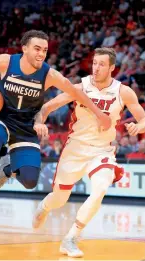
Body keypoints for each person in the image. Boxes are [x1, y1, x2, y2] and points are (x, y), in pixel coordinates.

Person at [0, 30, 111, 224]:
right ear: (24, 48)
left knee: (29, 181)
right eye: (37, 49)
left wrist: (99, 113)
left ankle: (8, 168)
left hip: (27, 127)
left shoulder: (49, 75)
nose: (41, 54)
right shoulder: (5, 61)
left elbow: (76, 93)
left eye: (44, 50)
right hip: (2, 117)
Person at [32, 47, 145, 257]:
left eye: (102, 64)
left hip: (102, 150)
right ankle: (46, 205)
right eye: (94, 63)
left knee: (100, 188)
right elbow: (47, 107)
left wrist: (139, 127)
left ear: (112, 67)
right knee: (59, 199)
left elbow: (143, 118)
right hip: (75, 149)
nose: (96, 68)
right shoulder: (80, 87)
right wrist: (40, 122)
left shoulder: (123, 91)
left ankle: (71, 237)